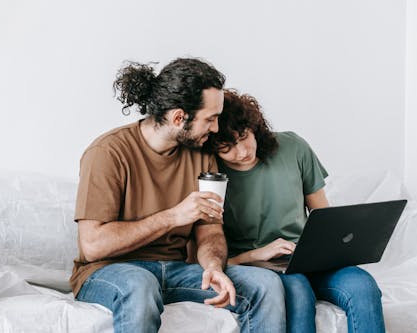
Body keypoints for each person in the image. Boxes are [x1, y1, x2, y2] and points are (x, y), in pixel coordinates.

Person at [70, 59, 286, 333]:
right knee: (140, 284)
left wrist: (213, 267)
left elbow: (210, 231)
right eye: (210, 118)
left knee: (265, 284)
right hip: (109, 271)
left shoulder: (202, 156)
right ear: (178, 118)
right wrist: (173, 216)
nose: (216, 128)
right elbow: (92, 246)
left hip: (175, 270)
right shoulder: (108, 153)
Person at [203, 89, 386, 333]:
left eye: (244, 137)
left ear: (254, 127)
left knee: (363, 286)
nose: (243, 152)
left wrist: (334, 249)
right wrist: (257, 254)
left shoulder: (293, 147)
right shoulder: (211, 179)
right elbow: (207, 252)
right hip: (254, 266)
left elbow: (324, 218)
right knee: (298, 291)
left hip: (307, 257)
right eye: (228, 149)